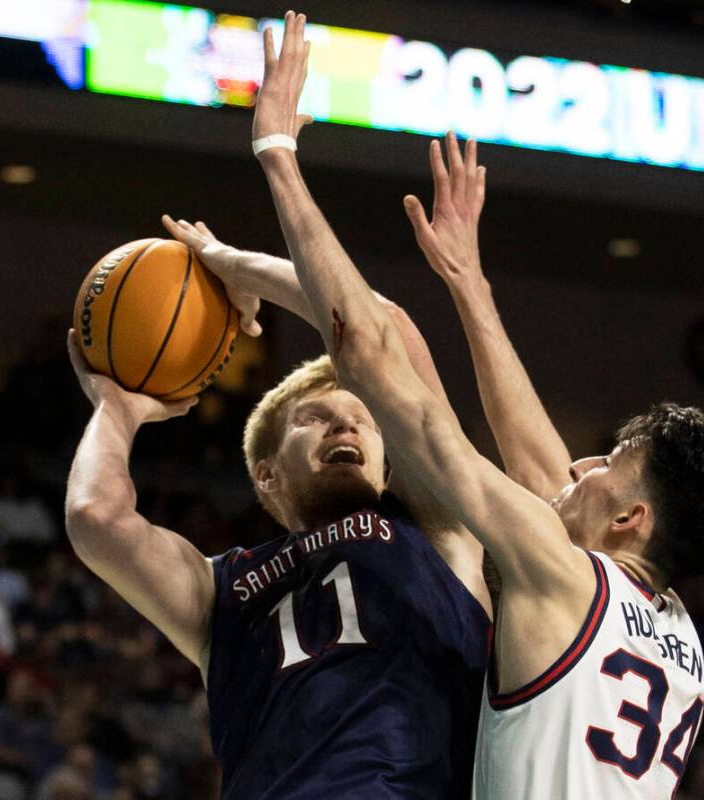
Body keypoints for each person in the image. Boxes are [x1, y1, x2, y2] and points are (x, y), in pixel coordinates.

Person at [244, 13, 704, 798]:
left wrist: (276, 154)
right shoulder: (674, 632)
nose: (577, 464)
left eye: (607, 466)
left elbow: (369, 354)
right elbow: (539, 464)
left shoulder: (558, 573)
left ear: (630, 520)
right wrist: (467, 283)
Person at [64, 207, 491, 795]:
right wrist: (117, 407)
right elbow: (96, 517)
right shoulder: (223, 589)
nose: (344, 426)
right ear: (265, 475)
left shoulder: (437, 524)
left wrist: (235, 268)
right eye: (314, 419)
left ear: (390, 461)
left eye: (361, 421)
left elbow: (383, 331)